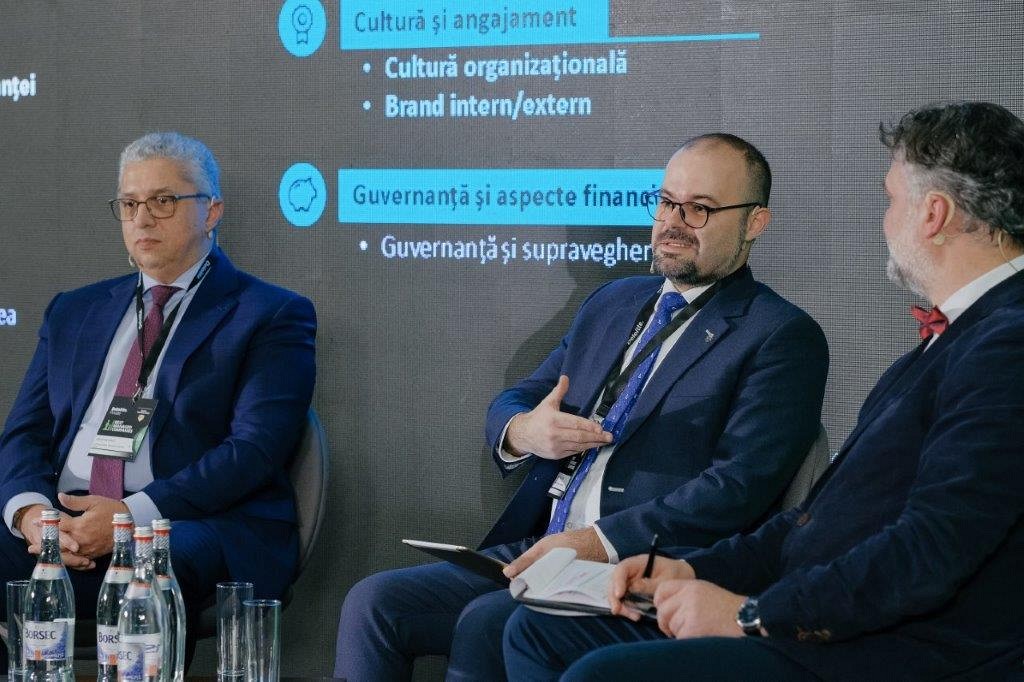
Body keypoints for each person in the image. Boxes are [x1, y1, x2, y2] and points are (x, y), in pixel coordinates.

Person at [502, 101, 1024, 681]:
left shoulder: (1006, 344)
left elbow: (931, 548)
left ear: (933, 213)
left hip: (898, 648)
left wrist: (752, 615)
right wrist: (694, 572)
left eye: (891, 200)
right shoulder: (958, 339)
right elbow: (815, 521)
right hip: (822, 608)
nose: (885, 221)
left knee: (599, 675)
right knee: (537, 629)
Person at [335, 134, 829, 680]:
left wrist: (597, 541)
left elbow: (737, 486)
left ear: (755, 222)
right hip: (545, 547)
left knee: (486, 621)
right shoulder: (612, 302)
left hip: (645, 566)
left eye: (700, 209)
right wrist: (525, 430)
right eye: (666, 202)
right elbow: (518, 399)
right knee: (374, 603)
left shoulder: (780, 335)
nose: (673, 222)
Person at [0, 132, 316, 667]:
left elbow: (254, 450)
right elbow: (24, 432)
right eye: (129, 204)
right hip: (63, 520)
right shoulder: (74, 311)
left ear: (211, 211)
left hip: (189, 522)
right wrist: (31, 514)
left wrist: (129, 517)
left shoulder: (269, 313)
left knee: (152, 562)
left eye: (163, 201)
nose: (142, 218)